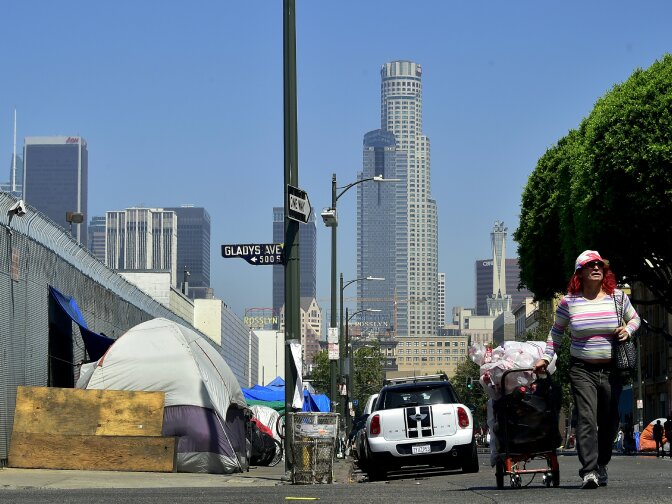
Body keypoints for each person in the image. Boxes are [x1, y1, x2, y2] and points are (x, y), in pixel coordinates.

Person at [534, 250, 640, 489]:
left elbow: (635, 319)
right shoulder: (568, 302)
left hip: (611, 369)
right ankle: (589, 470)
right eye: (590, 265)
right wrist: (546, 357)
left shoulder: (617, 298)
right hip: (581, 369)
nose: (596, 268)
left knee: (610, 421)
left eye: (600, 265)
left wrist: (628, 330)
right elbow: (556, 333)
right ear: (579, 272)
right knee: (587, 419)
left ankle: (602, 462)